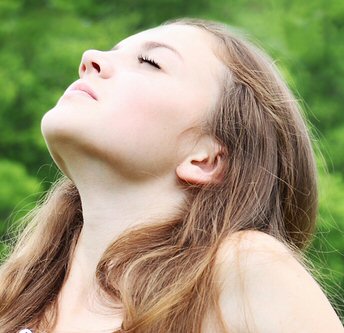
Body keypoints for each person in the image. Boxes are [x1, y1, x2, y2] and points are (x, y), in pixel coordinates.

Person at [0, 17, 343, 333]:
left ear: (205, 158)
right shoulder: (11, 295)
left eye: (150, 63)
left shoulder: (240, 267)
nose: (90, 57)